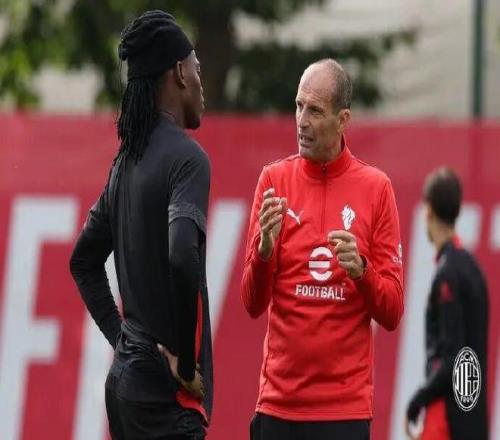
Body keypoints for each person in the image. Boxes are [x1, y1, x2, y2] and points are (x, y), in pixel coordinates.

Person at [240, 58, 404, 440]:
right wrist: (264, 252)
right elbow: (251, 303)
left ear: (342, 120)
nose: (301, 121)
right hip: (278, 407)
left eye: (314, 111)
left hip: (343, 411)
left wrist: (361, 271)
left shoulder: (376, 189)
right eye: (298, 106)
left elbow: (393, 311)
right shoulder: (273, 181)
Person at [69, 10, 212, 440]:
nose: (201, 82)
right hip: (165, 400)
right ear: (180, 73)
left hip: (126, 388)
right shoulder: (188, 159)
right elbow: (182, 256)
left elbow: (83, 261)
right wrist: (183, 366)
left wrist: (125, 342)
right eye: (197, 68)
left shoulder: (125, 164)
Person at [405, 167, 489, 440]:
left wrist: (417, 400)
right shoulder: (473, 269)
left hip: (446, 418)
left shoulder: (447, 274)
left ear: (428, 211)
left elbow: (452, 359)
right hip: (473, 419)